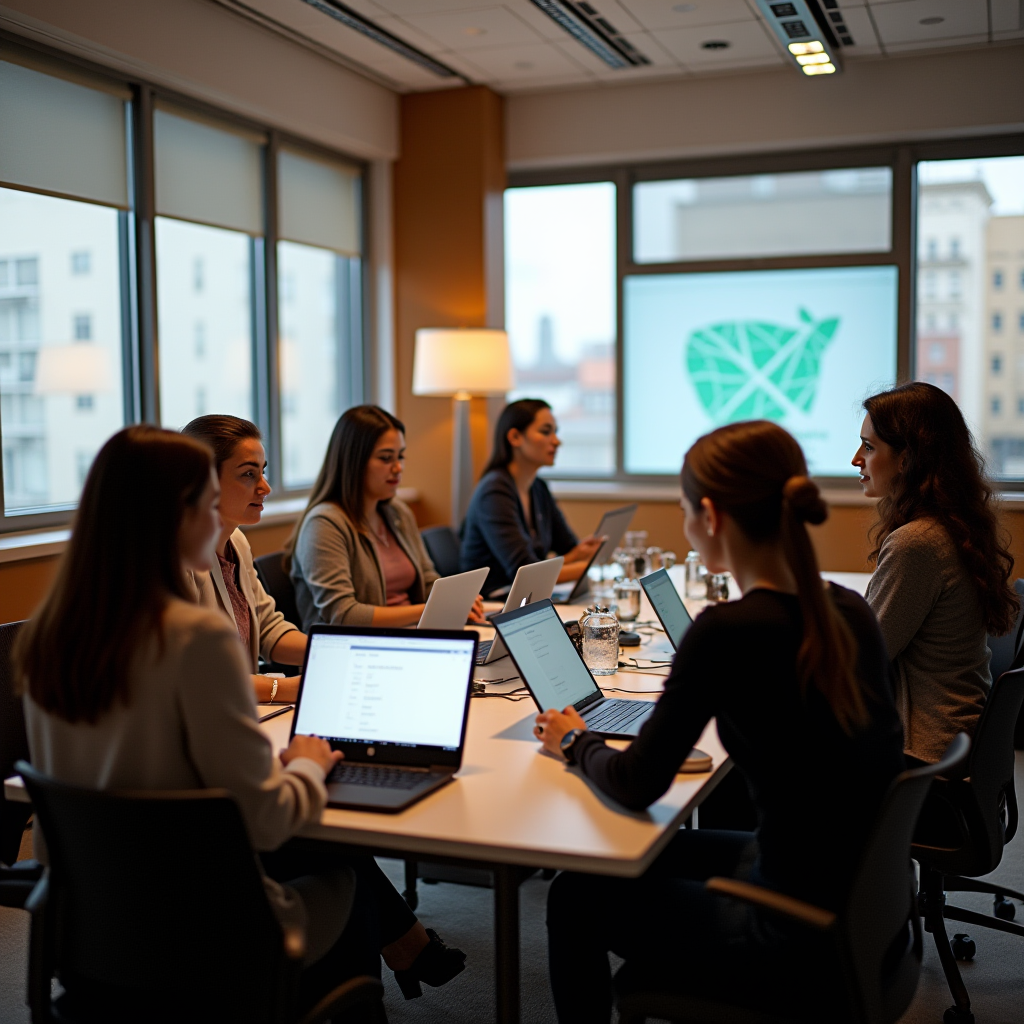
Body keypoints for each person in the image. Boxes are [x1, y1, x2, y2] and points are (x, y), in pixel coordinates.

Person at [16, 426, 465, 1013]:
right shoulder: (193, 637)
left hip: (92, 926)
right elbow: (269, 820)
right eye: (208, 503)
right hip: (204, 923)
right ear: (174, 514)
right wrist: (305, 766)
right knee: (341, 866)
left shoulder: (50, 635)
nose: (217, 523)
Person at [533, 421, 905, 1024]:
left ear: (709, 515)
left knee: (575, 893)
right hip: (850, 893)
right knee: (659, 849)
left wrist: (575, 741)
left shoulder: (727, 632)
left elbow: (635, 784)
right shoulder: (849, 610)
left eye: (683, 511)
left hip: (784, 930)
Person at [853, 381, 1018, 765]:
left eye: (870, 446)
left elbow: (861, 661)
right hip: (950, 737)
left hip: (921, 751)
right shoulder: (949, 527)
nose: (856, 459)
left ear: (909, 458)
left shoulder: (918, 543)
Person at [287, 405, 483, 631]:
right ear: (354, 461)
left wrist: (457, 602)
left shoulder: (397, 513)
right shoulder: (324, 524)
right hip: (357, 650)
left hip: (411, 635)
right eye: (386, 458)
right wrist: (434, 608)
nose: (398, 468)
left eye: (400, 456)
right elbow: (343, 615)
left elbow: (428, 580)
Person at [181, 415, 305, 705]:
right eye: (249, 474)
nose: (265, 487)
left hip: (237, 711)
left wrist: (335, 653)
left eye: (263, 472)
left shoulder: (236, 542)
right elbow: (190, 675)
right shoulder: (175, 560)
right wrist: (285, 690)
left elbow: (268, 629)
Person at [459, 399, 603, 595]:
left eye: (555, 432)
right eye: (546, 432)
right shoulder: (494, 492)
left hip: (525, 596)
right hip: (494, 601)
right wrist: (590, 566)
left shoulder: (538, 487)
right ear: (515, 437)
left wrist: (580, 554)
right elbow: (526, 573)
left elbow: (566, 547)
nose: (556, 441)